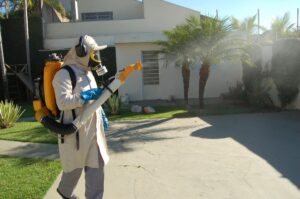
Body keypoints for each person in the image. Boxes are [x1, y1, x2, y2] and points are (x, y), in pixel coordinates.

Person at [52, 35, 109, 199]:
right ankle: (65, 192)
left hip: (94, 131)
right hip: (76, 132)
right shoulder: (64, 74)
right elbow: (62, 102)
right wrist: (85, 96)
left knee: (97, 168)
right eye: (94, 54)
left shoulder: (88, 73)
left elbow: (96, 99)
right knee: (74, 169)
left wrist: (101, 112)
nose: (96, 58)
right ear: (83, 52)